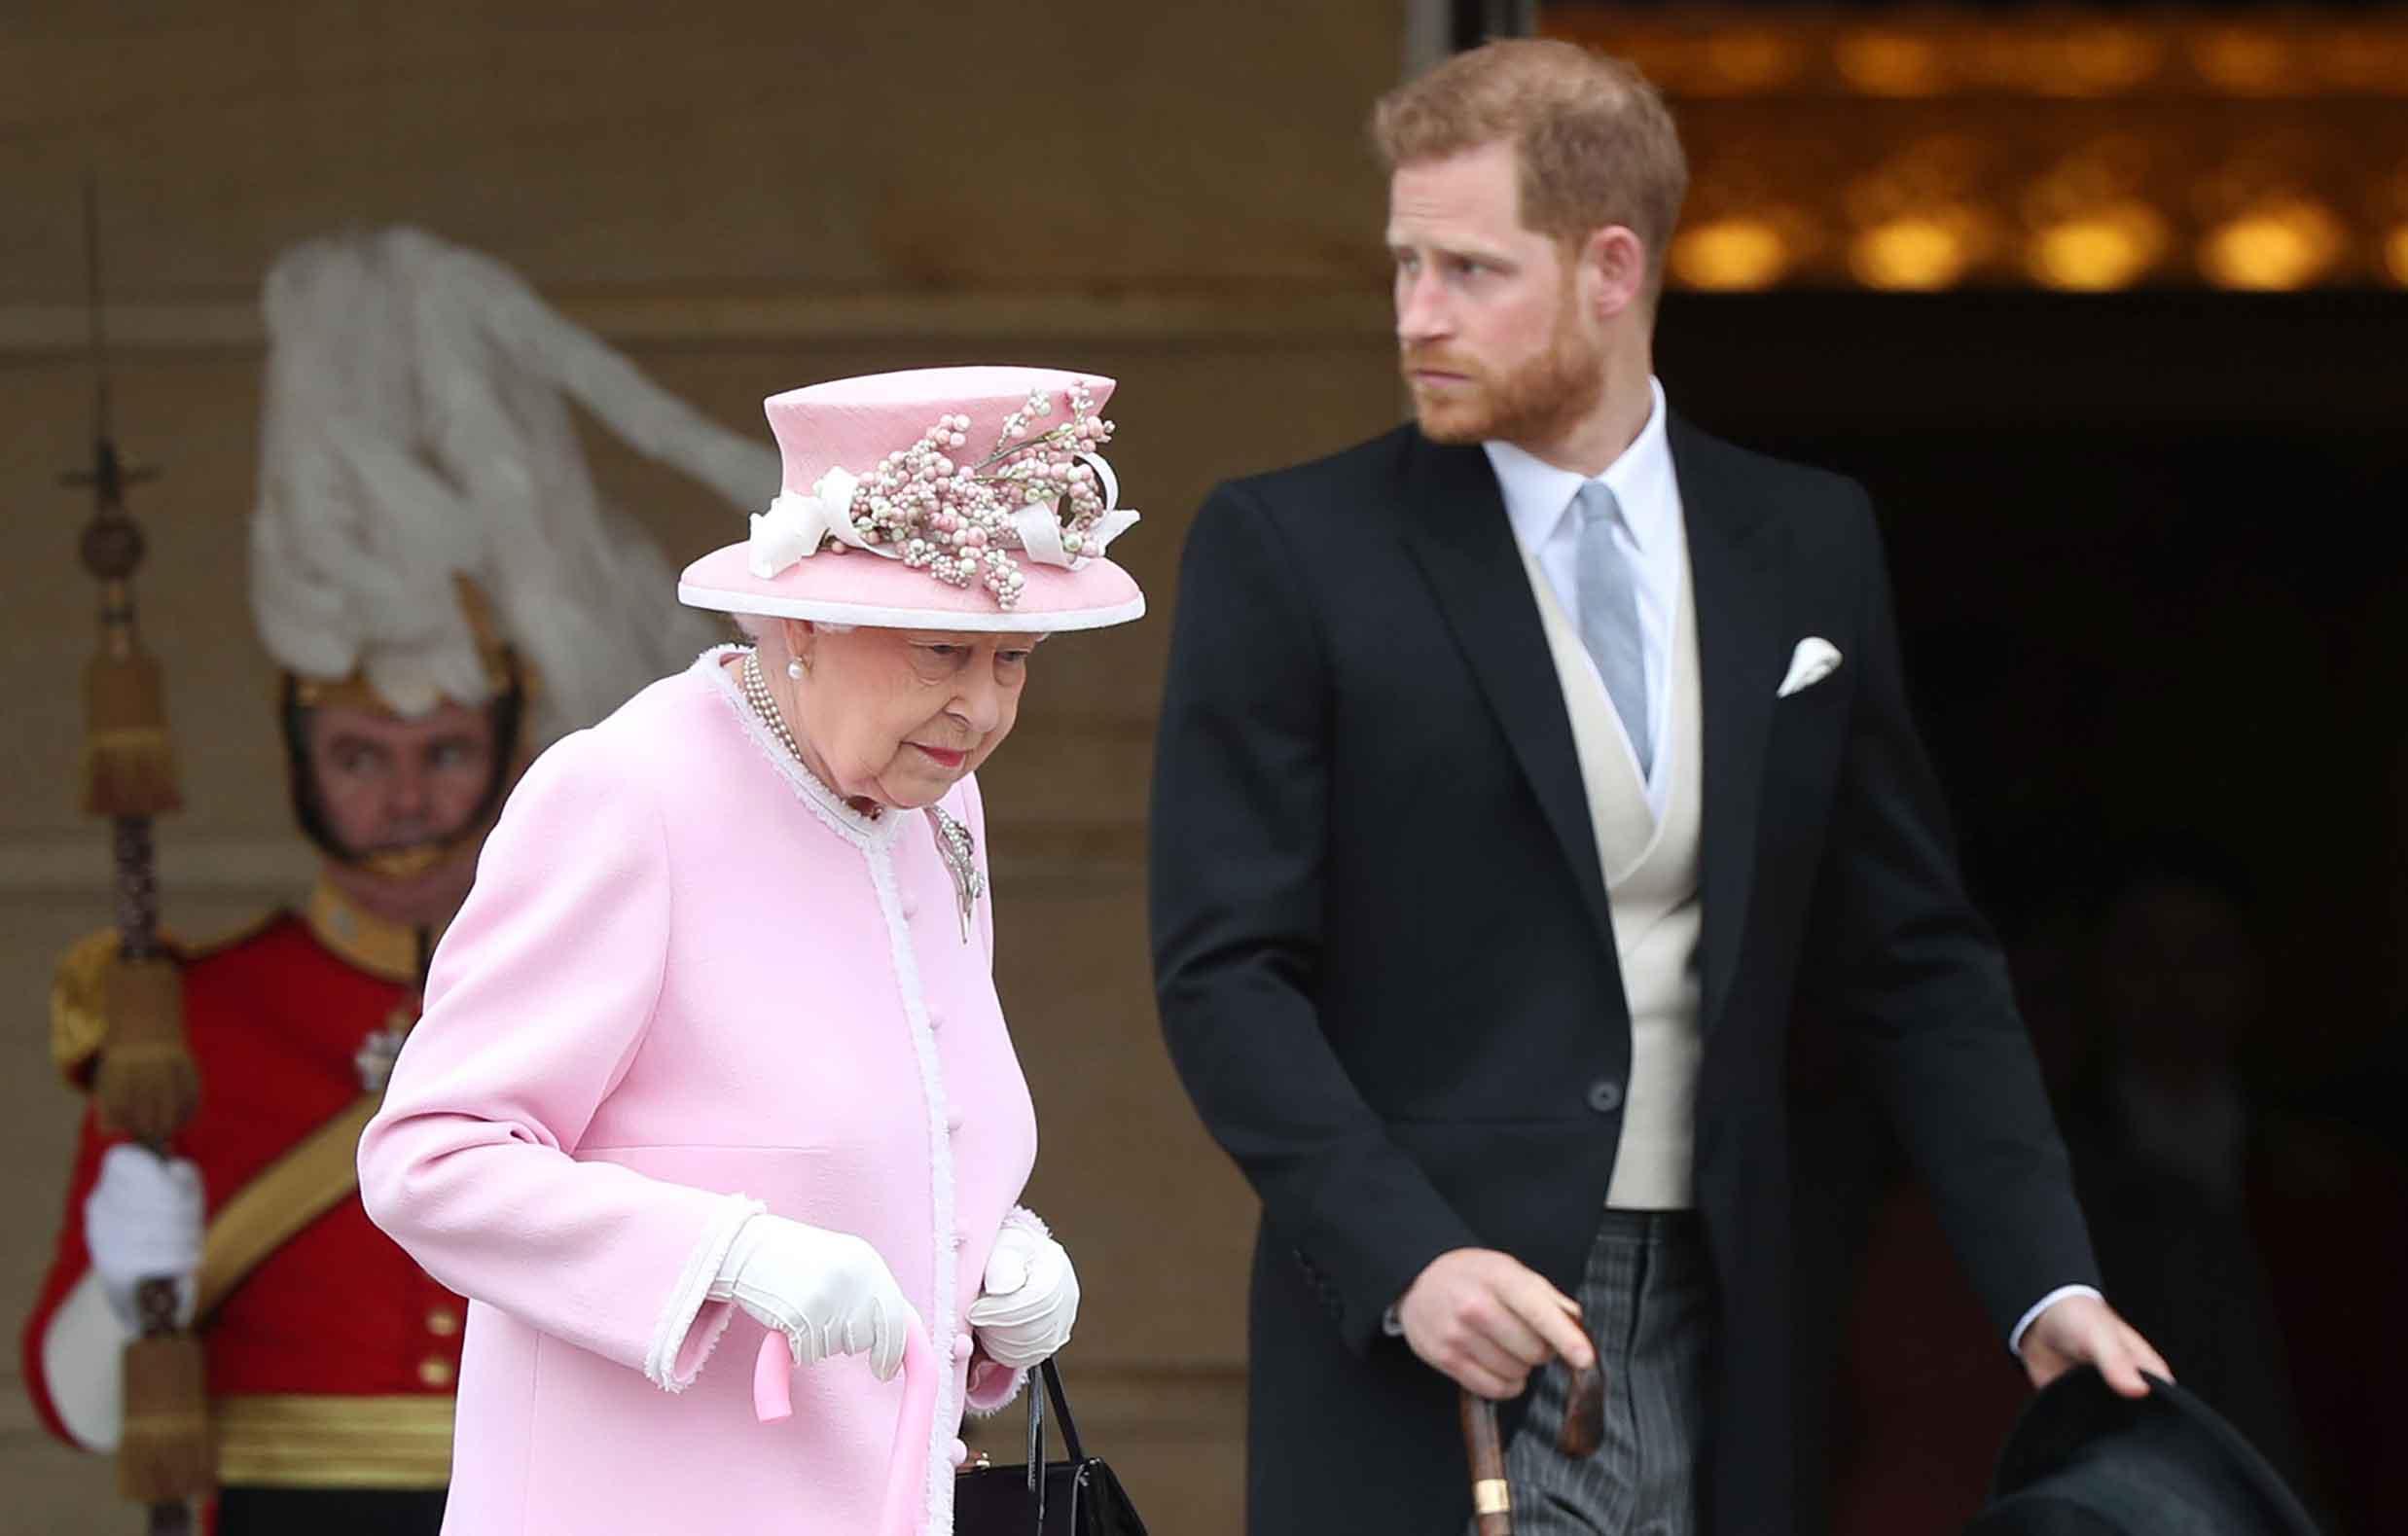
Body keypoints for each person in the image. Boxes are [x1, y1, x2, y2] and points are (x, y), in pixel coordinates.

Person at [1146, 40, 2166, 1536]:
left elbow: (1913, 957)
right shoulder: (1290, 549)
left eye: (1471, 271)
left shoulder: (1804, 540)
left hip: (1726, 1305)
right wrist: (1406, 1257)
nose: (1415, 316)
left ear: (1609, 266)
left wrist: (2042, 1277)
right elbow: (1221, 971)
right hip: (1421, 1330)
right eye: (1402, 265)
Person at [20, 227, 771, 1536]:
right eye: (360, 753)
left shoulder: (608, 985)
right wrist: (130, 1278)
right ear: (301, 758)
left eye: (444, 751)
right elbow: (80, 1404)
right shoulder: (188, 1017)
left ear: (507, 750)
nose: (406, 793)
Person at [355, 366, 1144, 1534]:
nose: (981, 709)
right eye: (941, 652)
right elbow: (432, 1158)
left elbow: (910, 1129)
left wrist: (999, 1268)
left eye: (1013, 658)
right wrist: (728, 1253)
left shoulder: (939, 806)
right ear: (805, 618)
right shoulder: (628, 796)